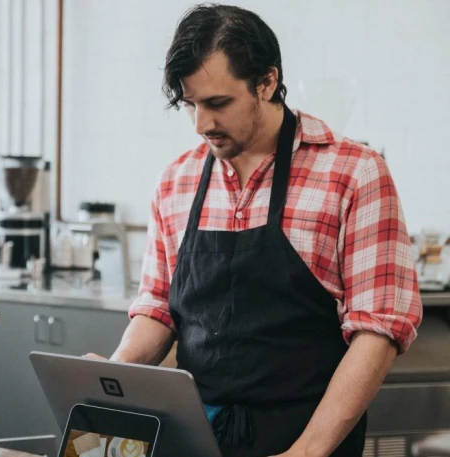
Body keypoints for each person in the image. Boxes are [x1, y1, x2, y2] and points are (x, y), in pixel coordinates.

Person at [85, 5, 422, 456]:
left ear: (266, 82)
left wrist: (306, 452)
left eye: (218, 103)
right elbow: (157, 308)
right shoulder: (176, 181)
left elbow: (378, 332)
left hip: (306, 436)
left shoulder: (354, 174)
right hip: (196, 435)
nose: (202, 124)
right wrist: (114, 374)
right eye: (190, 105)